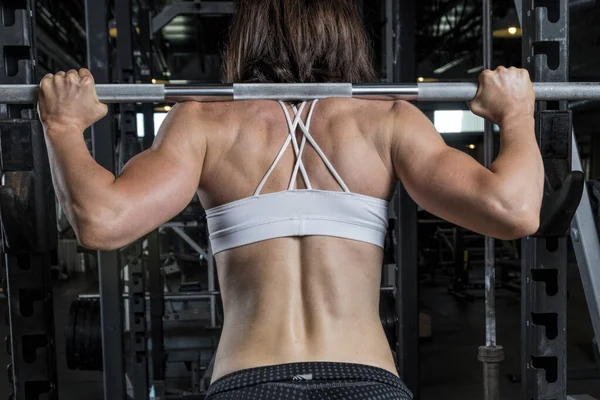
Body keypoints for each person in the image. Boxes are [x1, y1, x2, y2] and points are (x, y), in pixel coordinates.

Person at [37, 0, 543, 398]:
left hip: (247, 383)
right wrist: (516, 115)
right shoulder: (388, 120)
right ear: (344, 30)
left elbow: (102, 221)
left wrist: (62, 125)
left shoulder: (202, 123)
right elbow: (514, 210)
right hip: (366, 383)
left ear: (248, 34)